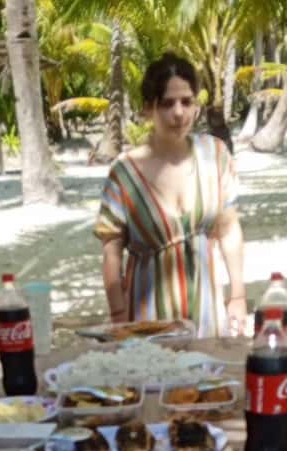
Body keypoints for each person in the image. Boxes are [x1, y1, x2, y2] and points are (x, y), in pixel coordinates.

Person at [95, 53, 246, 337]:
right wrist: (117, 316)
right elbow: (111, 251)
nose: (179, 113)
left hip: (208, 314)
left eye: (187, 101)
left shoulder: (215, 156)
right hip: (147, 320)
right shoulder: (125, 173)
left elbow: (228, 229)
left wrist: (237, 296)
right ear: (148, 109)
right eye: (167, 103)